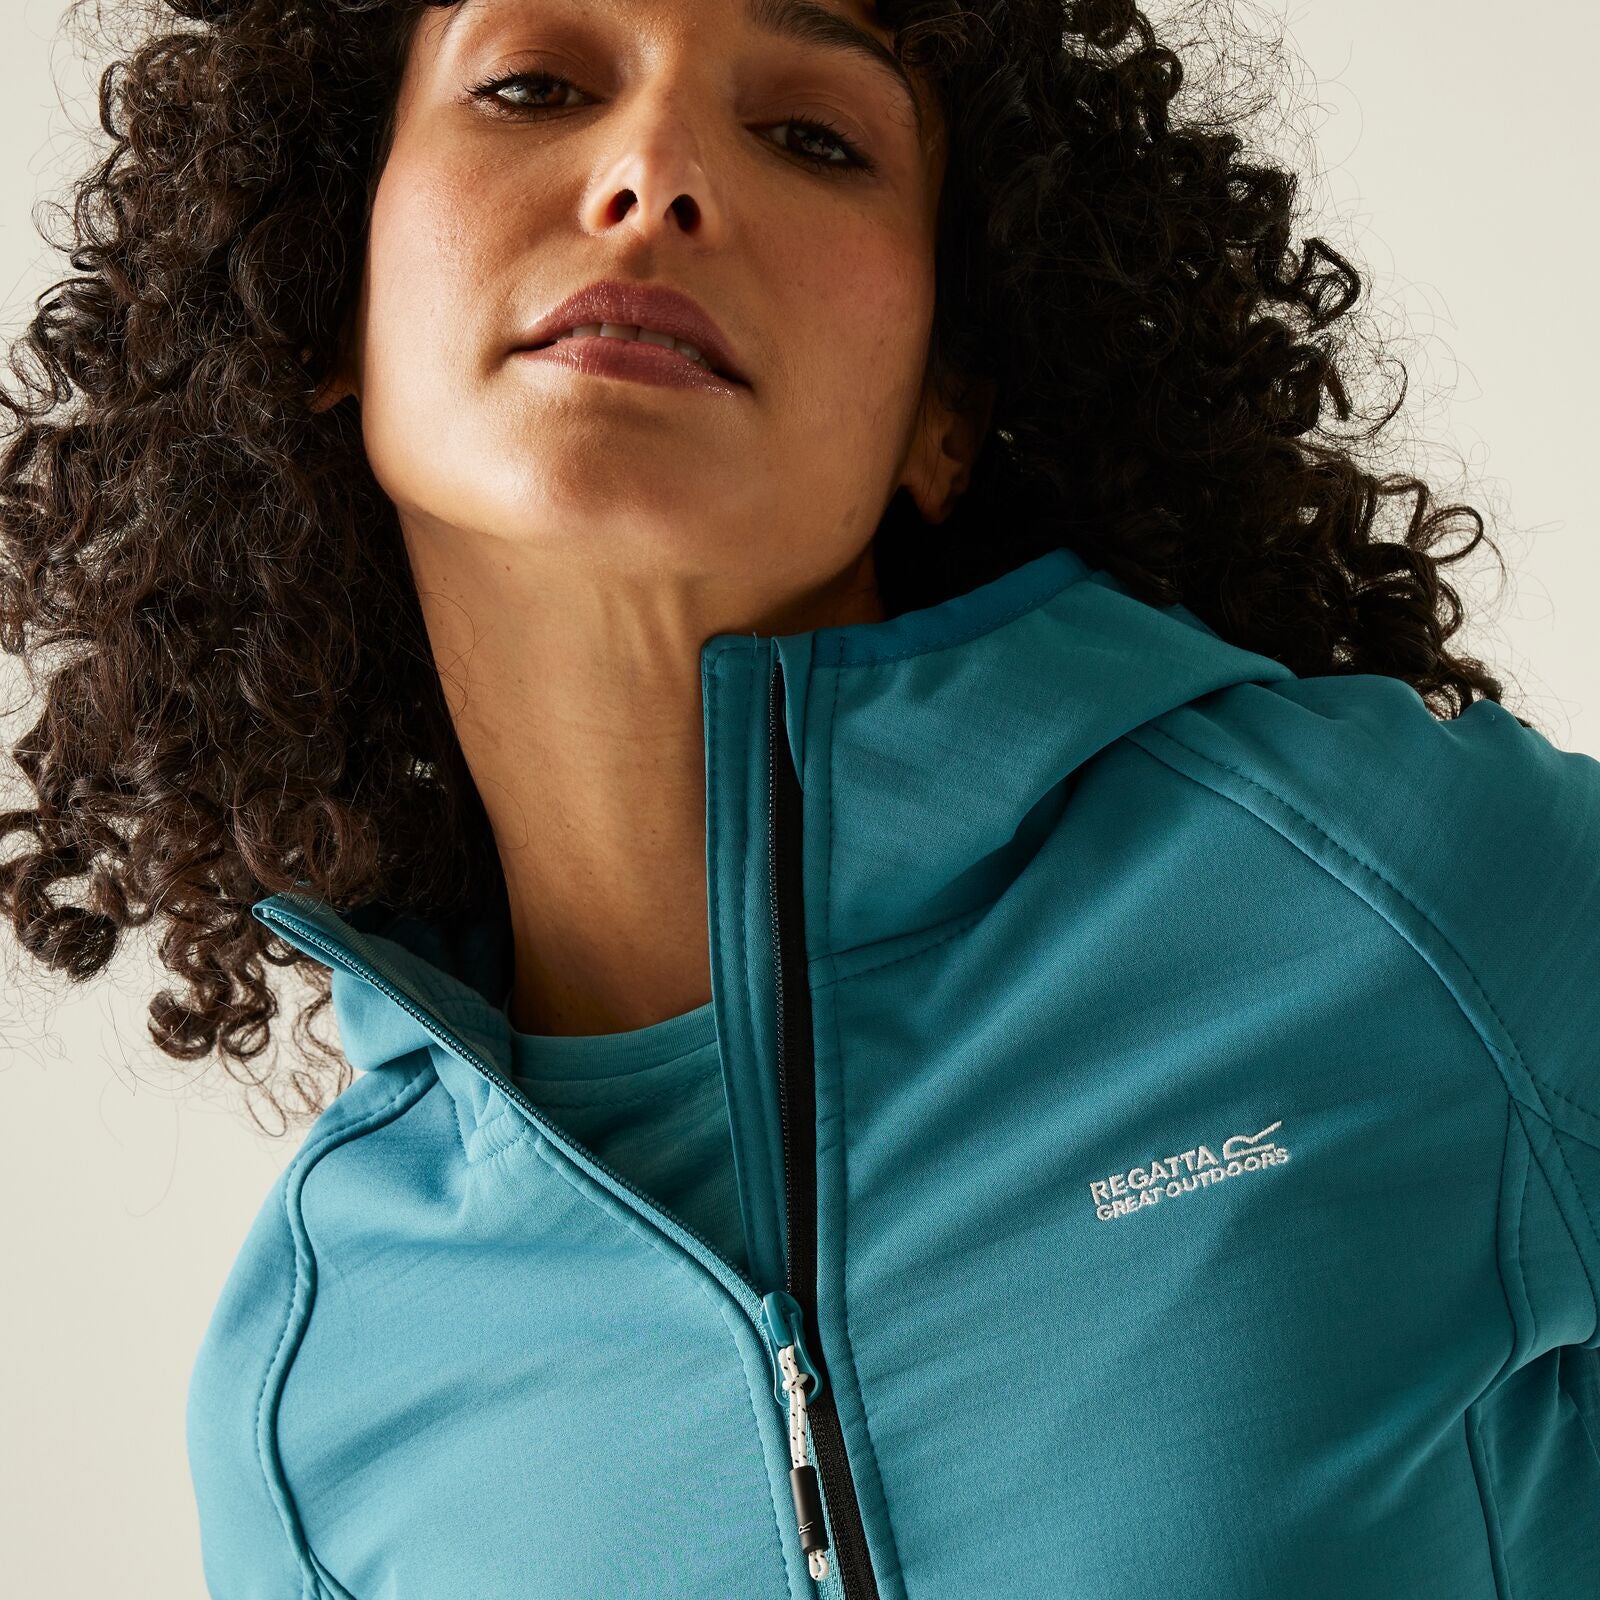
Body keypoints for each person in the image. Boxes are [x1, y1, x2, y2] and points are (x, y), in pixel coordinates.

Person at [1, 0, 1596, 1595]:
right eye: (534, 85)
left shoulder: (1395, 897)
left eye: (815, 137)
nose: (654, 171)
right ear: (322, 304)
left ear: (943, 411)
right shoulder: (320, 1398)